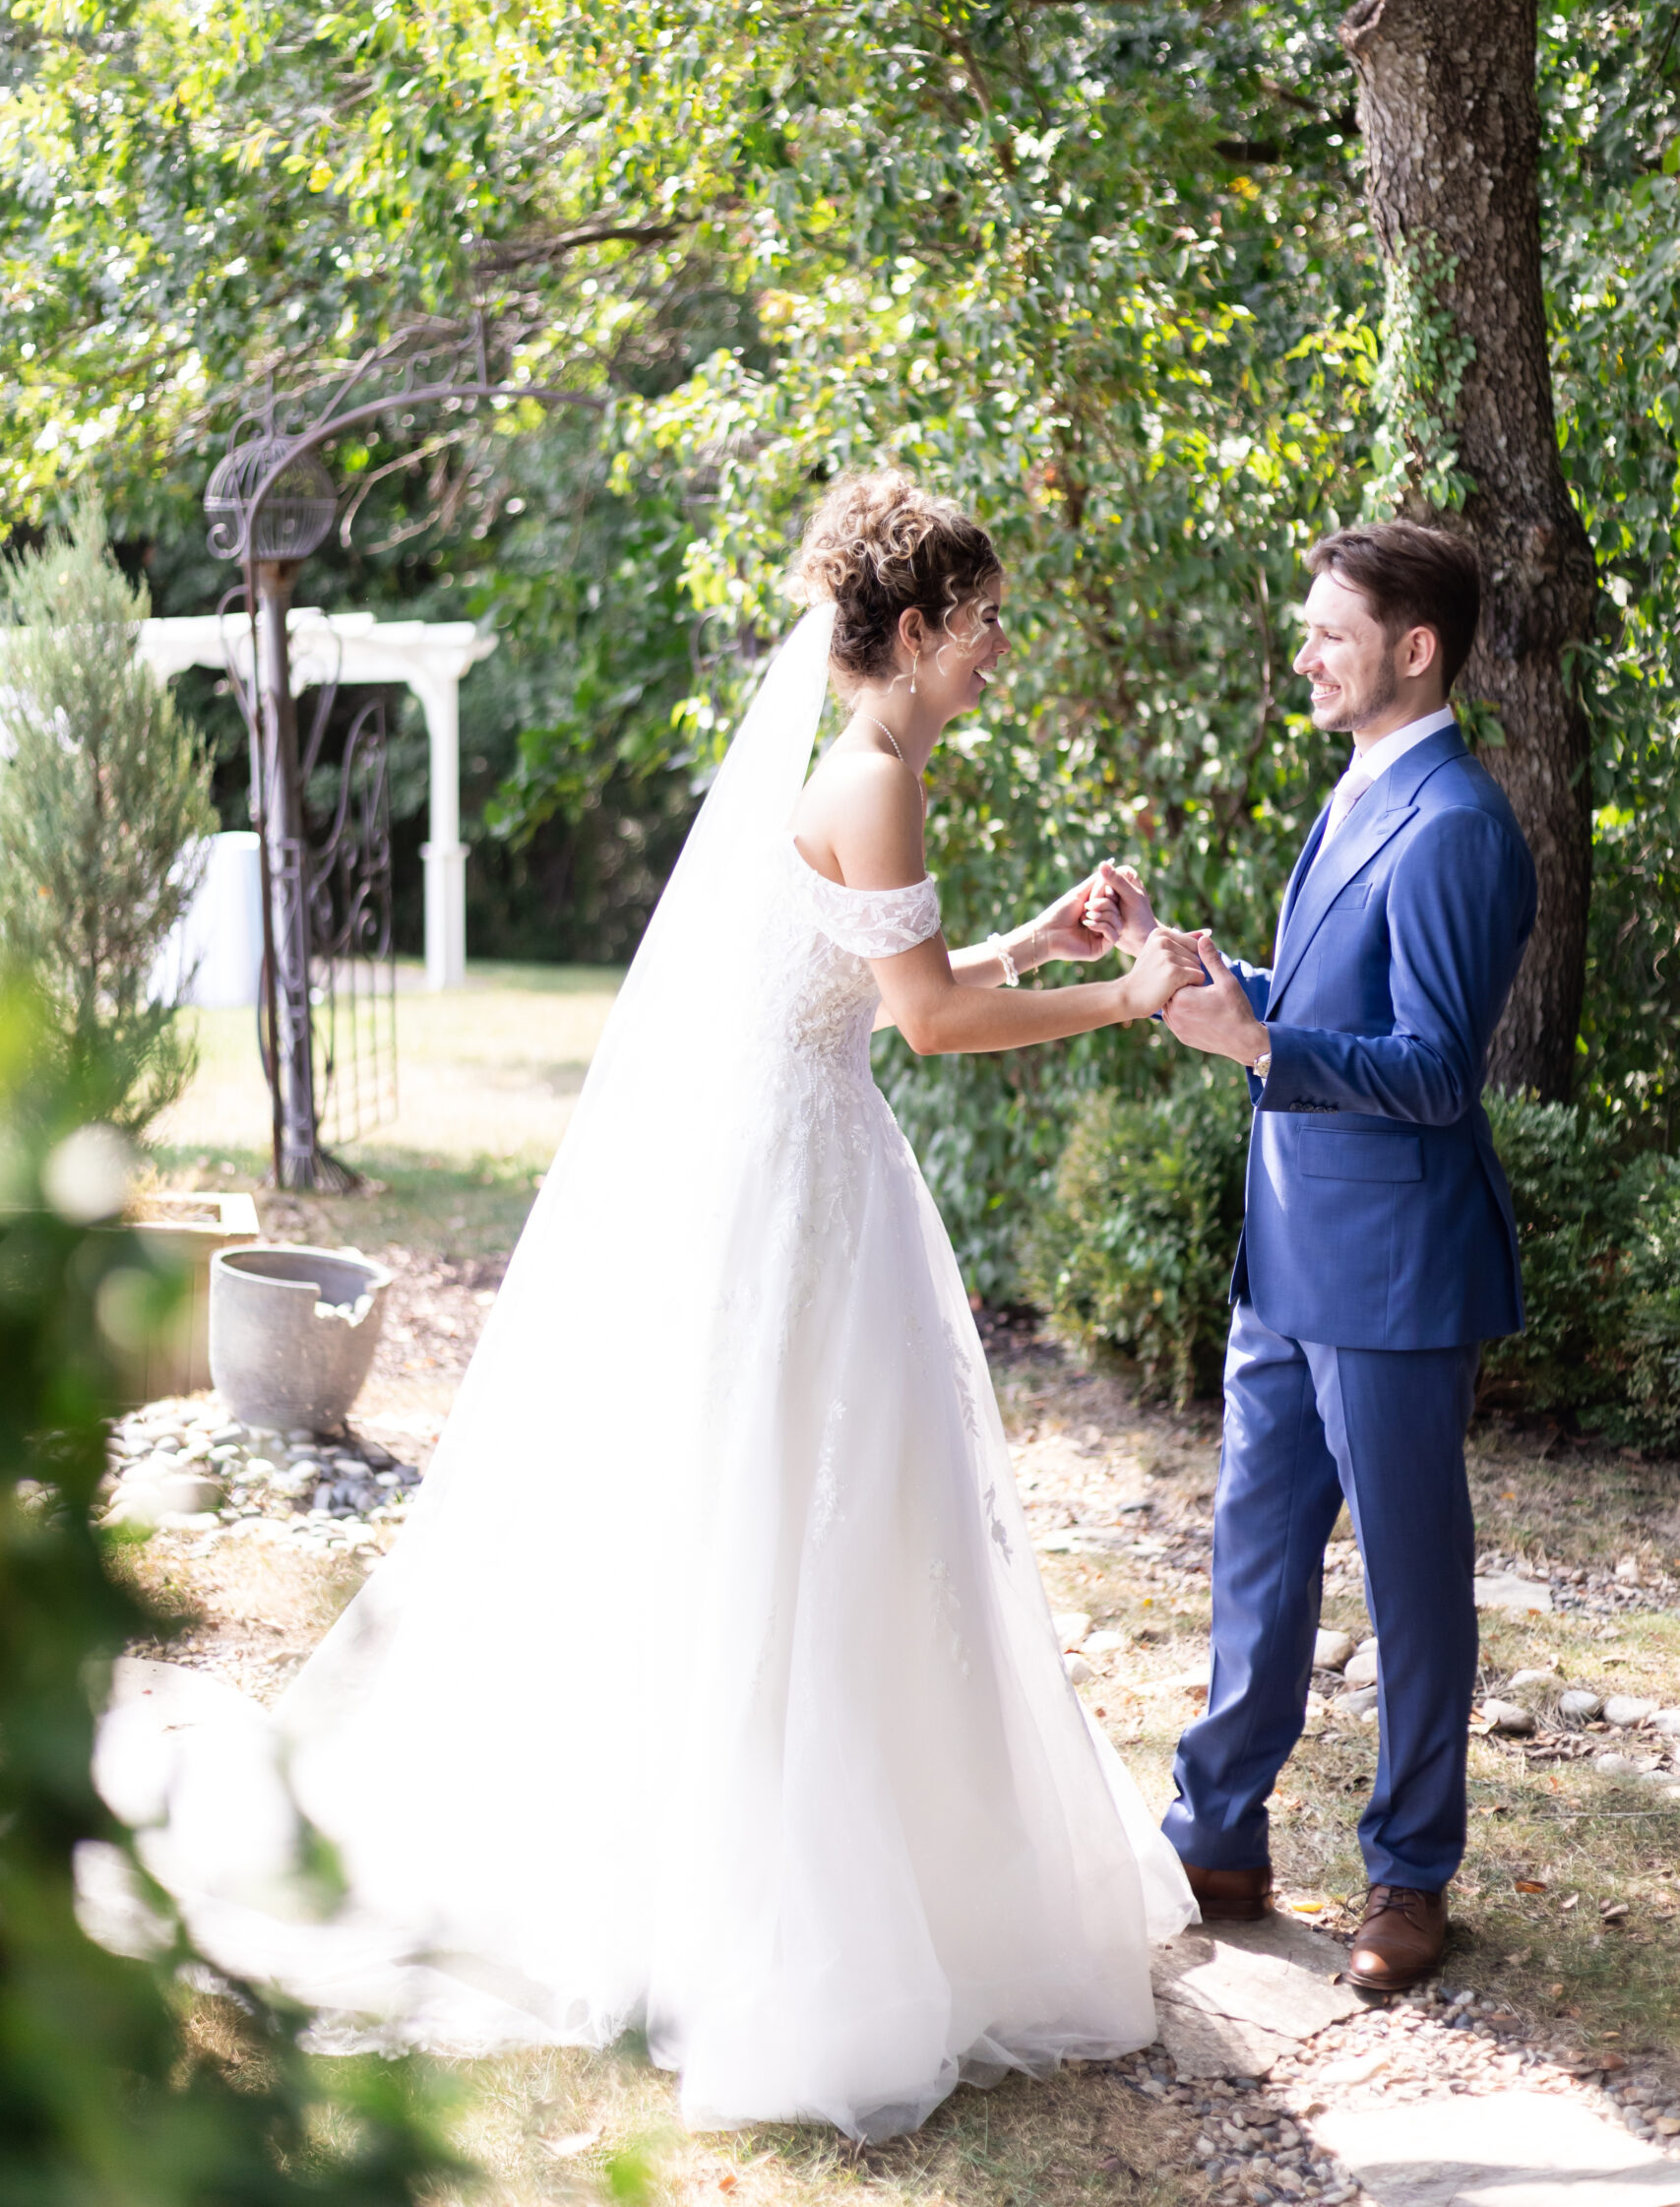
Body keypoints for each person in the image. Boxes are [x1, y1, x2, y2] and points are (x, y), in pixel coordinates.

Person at [125, 471, 1203, 2140]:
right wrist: (1125, 996)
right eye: (985, 623)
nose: (1001, 649)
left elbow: (881, 967)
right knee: (819, 1519)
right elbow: (920, 1025)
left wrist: (1038, 940)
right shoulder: (878, 776)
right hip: (814, 1193)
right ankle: (783, 1915)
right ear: (913, 633)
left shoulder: (861, 769)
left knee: (791, 1516)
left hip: (798, 1172)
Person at [1099, 520, 1536, 1995]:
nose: (1305, 653)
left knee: (1412, 1586)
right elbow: (1329, 1002)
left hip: (1399, 1273)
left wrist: (1266, 1043)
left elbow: (1434, 1072)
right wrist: (1206, 977)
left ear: (1415, 650)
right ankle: (1219, 1832)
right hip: (1287, 1253)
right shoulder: (1360, 789)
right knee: (1257, 1556)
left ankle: (1410, 1877)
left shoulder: (1462, 825)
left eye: (1330, 633)